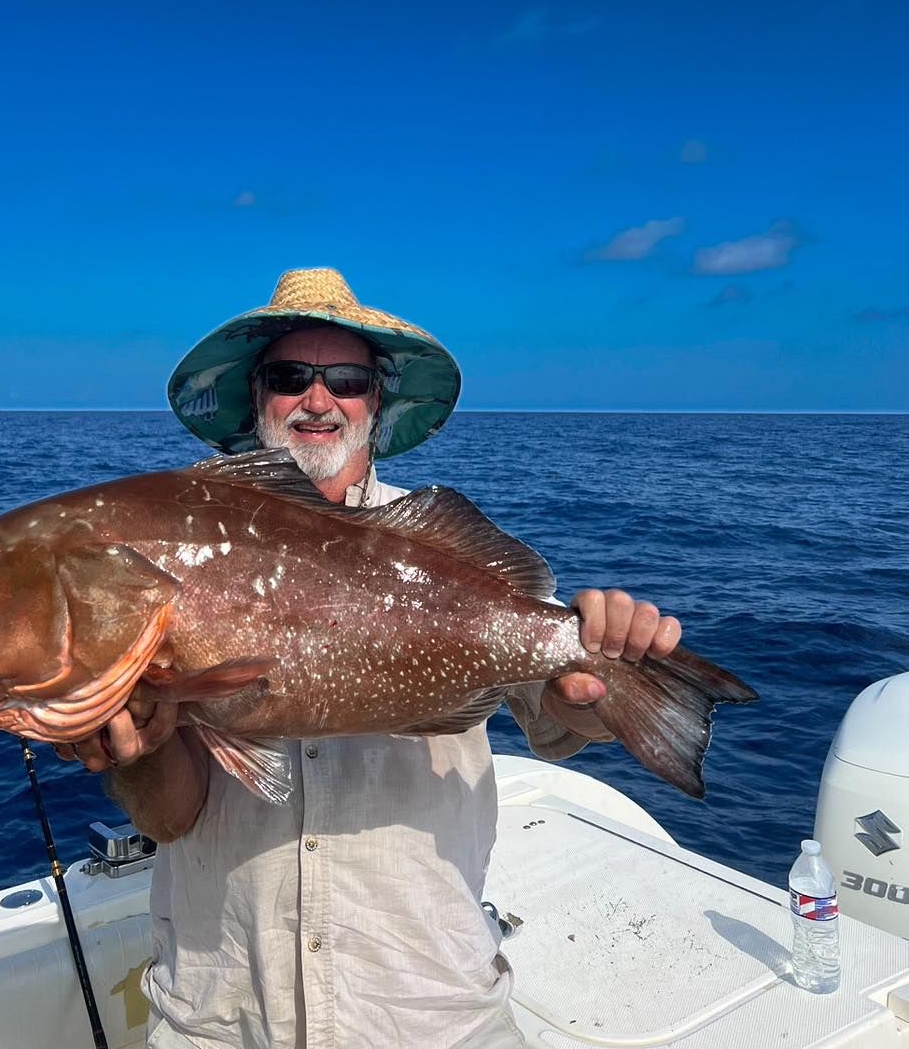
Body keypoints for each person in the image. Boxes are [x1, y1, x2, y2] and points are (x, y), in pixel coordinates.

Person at [59, 269, 682, 1049]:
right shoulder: (177, 547)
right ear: (257, 399)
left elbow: (554, 718)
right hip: (226, 1018)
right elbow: (170, 818)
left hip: (429, 1012)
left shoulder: (439, 551)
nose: (318, 401)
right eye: (290, 378)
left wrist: (585, 694)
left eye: (346, 380)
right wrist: (139, 746)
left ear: (376, 404)